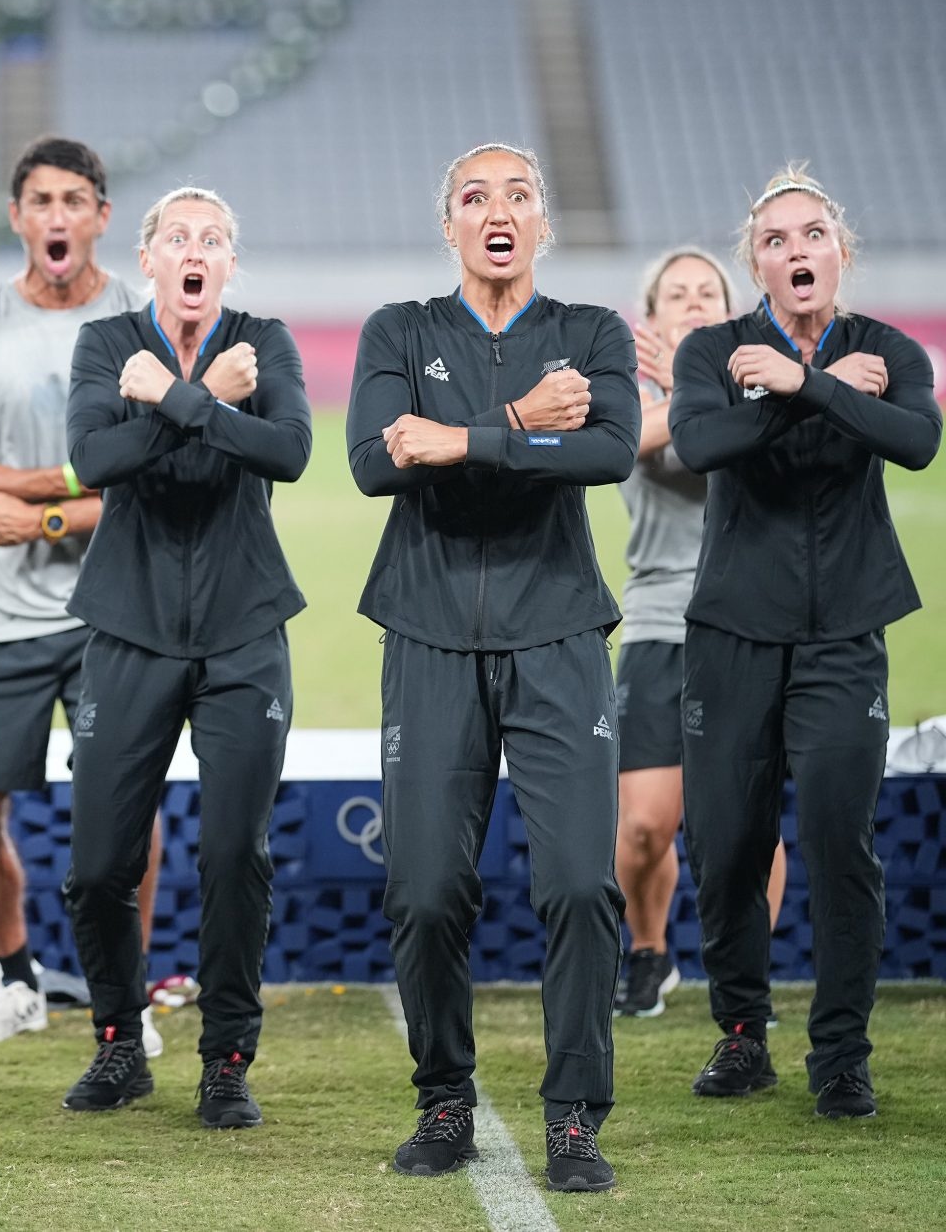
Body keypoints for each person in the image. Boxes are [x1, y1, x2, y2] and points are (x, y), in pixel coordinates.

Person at [348, 143, 638, 1193]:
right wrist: (516, 425)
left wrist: (455, 442)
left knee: (575, 884)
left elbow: (607, 451)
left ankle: (571, 1117)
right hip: (424, 633)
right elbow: (374, 460)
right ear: (449, 224)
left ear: (542, 225)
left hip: (557, 634)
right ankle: (442, 1101)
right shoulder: (400, 329)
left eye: (519, 193)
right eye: (475, 196)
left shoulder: (590, 332)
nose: (497, 210)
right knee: (424, 891)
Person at [671, 167, 939, 1120]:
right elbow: (699, 447)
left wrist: (802, 383)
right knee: (730, 843)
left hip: (843, 636)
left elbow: (917, 441)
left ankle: (840, 1054)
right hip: (733, 632)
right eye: (777, 239)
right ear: (757, 262)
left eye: (813, 234)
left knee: (838, 839)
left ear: (841, 252)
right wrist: (814, 389)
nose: (797, 251)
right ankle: (742, 1034)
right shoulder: (712, 347)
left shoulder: (889, 347)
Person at [59, 186, 311, 1132]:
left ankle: (226, 1059)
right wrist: (201, 402)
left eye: (212, 238)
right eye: (177, 237)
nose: (194, 250)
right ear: (151, 258)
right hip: (127, 626)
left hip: (246, 627)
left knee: (231, 852)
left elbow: (288, 450)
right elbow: (94, 459)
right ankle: (120, 1043)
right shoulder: (104, 343)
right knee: (96, 866)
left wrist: (168, 401)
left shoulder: (266, 339)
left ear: (229, 263)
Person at [0, 137, 162, 1051]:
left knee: (120, 812)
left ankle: (127, 1000)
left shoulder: (142, 315)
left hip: (117, 606)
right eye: (42, 201)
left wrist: (40, 511)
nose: (58, 216)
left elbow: (156, 473)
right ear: (18, 215)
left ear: (103, 215)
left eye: (76, 200)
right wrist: (69, 488)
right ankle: (20, 978)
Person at [613, 249, 785, 1018]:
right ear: (651, 319)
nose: (691, 303)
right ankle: (649, 950)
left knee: (750, 821)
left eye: (706, 292)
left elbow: (743, 453)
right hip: (656, 617)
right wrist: (686, 383)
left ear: (731, 311)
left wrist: (704, 382)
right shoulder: (632, 394)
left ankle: (747, 976)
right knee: (646, 823)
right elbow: (639, 447)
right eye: (675, 295)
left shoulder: (766, 384)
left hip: (748, 619)